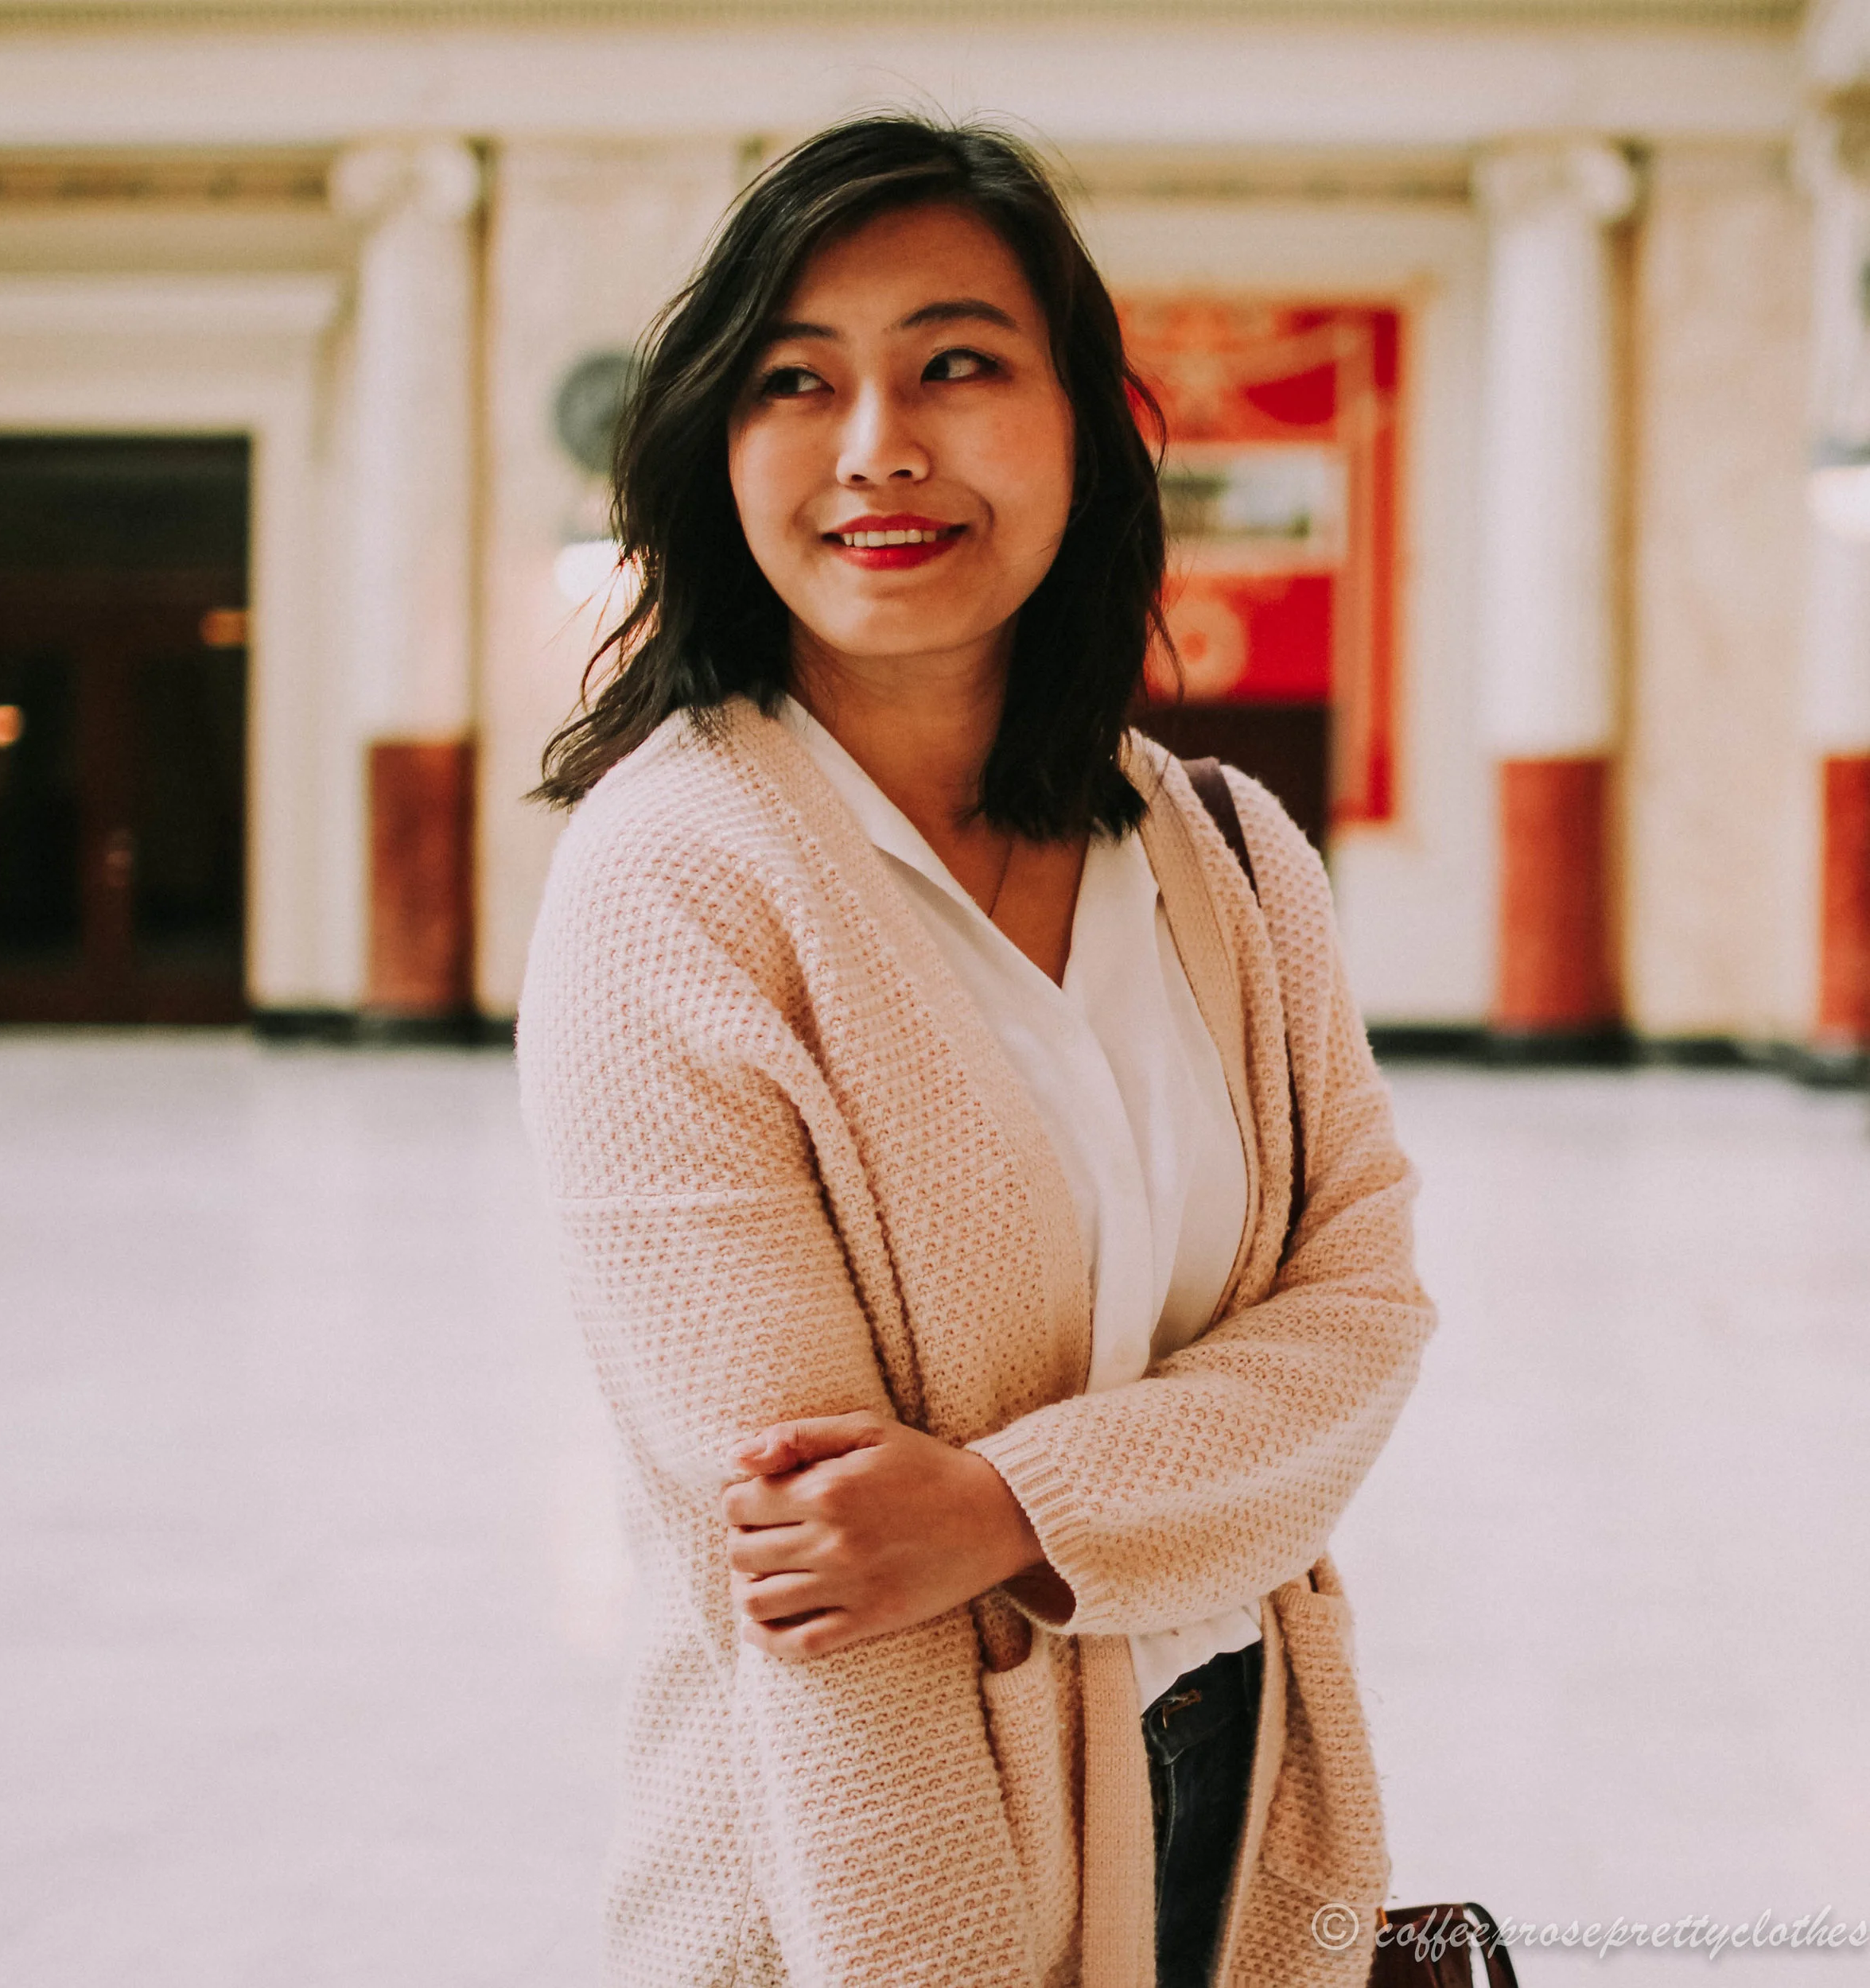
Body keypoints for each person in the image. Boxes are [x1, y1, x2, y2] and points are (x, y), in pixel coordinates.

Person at [519, 115, 1433, 1988]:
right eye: (797, 377)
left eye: (955, 362)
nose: (878, 448)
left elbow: (1361, 1322)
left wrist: (1008, 1507)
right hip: (859, 1863)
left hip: (1246, 1796)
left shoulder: (1230, 860)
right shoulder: (675, 887)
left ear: (1082, 422)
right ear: (719, 442)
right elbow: (822, 1588)